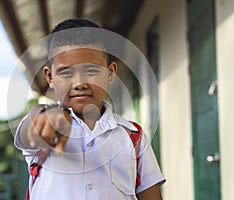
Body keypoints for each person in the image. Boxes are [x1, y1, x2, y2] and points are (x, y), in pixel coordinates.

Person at [14, 18, 165, 200]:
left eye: (92, 71)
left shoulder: (134, 137)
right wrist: (44, 113)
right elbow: (31, 129)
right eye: (66, 72)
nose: (79, 83)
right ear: (50, 77)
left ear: (111, 73)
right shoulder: (46, 129)